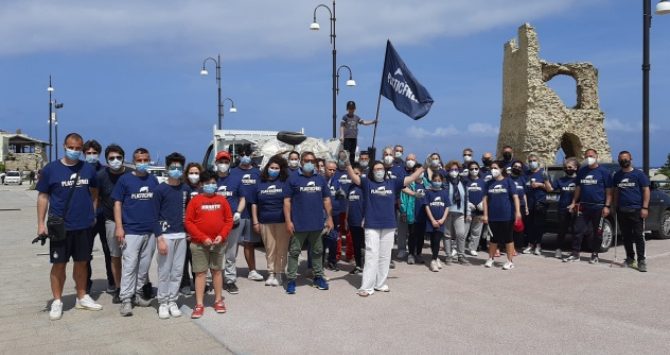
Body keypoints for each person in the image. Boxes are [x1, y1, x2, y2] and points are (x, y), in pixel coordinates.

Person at [37, 133, 102, 320]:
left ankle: (82, 297)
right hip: (60, 227)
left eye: (78, 148)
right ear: (64, 146)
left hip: (83, 226)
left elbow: (95, 191)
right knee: (59, 265)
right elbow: (43, 197)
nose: (74, 151)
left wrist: (93, 211)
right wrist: (41, 224)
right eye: (71, 147)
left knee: (82, 262)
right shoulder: (51, 169)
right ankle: (57, 301)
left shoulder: (88, 169)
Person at [345, 156, 424, 297]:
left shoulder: (392, 183)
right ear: (372, 172)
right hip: (372, 225)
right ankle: (367, 287)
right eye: (376, 169)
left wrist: (425, 166)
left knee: (385, 255)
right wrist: (347, 163)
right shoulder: (366, 183)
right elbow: (352, 176)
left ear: (385, 171)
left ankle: (380, 283)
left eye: (381, 168)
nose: (379, 171)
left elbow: (411, 178)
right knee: (371, 254)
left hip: (389, 224)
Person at [112, 147, 159, 316]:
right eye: (139, 160)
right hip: (131, 230)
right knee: (130, 266)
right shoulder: (124, 180)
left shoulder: (153, 180)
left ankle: (139, 294)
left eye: (145, 160)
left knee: (144, 267)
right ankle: (126, 299)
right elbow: (117, 203)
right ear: (134, 161)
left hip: (150, 231)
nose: (142, 163)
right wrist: (119, 227)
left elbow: (158, 204)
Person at [184, 170, 234, 319]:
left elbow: (229, 220)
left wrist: (222, 235)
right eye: (207, 183)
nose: (210, 186)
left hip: (219, 242)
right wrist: (201, 237)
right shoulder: (195, 201)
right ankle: (199, 304)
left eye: (213, 183)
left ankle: (218, 300)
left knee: (217, 271)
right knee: (200, 273)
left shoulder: (222, 200)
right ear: (201, 185)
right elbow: (189, 222)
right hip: (199, 244)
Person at [284, 151, 333, 294]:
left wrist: (329, 218)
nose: (309, 163)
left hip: (317, 224)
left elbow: (326, 200)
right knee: (294, 252)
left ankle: (318, 277)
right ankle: (291, 279)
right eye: (306, 160)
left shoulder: (320, 179)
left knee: (317, 252)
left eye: (312, 161)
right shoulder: (293, 179)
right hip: (299, 224)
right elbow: (287, 201)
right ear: (301, 162)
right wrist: (288, 221)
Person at [153, 152, 191, 319]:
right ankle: (162, 302)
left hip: (181, 236)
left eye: (179, 168)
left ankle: (173, 300)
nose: (176, 170)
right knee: (164, 271)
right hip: (165, 237)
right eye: (173, 167)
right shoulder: (160, 189)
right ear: (167, 168)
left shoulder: (185, 189)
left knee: (177, 272)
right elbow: (153, 216)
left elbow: (188, 212)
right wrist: (159, 238)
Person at [96, 144, 131, 304]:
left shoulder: (131, 174)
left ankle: (135, 286)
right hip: (110, 221)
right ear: (107, 160)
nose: (115, 160)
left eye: (118, 157)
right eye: (111, 158)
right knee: (115, 256)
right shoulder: (101, 176)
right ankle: (118, 287)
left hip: (132, 222)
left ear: (123, 158)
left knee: (133, 257)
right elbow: (95, 198)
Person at [565, 149, 613, 264]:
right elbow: (578, 188)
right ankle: (575, 253)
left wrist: (607, 206)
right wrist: (573, 202)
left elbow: (609, 191)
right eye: (587, 156)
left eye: (591, 156)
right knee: (577, 229)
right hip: (584, 206)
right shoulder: (582, 171)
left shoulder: (604, 172)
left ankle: (595, 254)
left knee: (597, 232)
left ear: (596, 156)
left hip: (599, 206)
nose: (589, 158)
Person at [250, 155, 291, 286]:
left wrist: (289, 221)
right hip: (265, 221)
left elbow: (287, 202)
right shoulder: (260, 183)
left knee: (282, 248)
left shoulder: (284, 182)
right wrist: (255, 221)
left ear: (281, 169)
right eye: (271, 167)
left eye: (276, 168)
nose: (273, 169)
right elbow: (254, 204)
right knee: (270, 248)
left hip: (281, 221)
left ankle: (279, 274)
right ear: (267, 168)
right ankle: (271, 273)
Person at [83, 139, 114, 294]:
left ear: (99, 154)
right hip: (86, 218)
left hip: (105, 216)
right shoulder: (80, 171)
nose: (91, 155)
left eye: (94, 153)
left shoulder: (105, 171)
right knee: (85, 251)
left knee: (109, 251)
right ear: (84, 154)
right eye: (88, 153)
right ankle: (85, 283)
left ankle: (112, 281)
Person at [214, 151, 247, 294]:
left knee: (231, 254)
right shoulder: (210, 180)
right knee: (213, 251)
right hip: (213, 222)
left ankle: (230, 280)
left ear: (229, 164)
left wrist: (238, 212)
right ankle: (210, 280)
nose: (223, 165)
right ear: (216, 163)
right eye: (221, 162)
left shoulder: (236, 179)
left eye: (226, 162)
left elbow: (243, 199)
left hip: (232, 222)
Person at [612, 151, 650, 272]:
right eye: (621, 159)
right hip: (622, 210)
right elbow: (616, 191)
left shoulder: (639, 175)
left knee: (638, 236)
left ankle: (641, 260)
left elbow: (646, 191)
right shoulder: (617, 175)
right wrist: (615, 206)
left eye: (625, 159)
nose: (623, 161)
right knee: (626, 236)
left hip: (636, 210)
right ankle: (630, 258)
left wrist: (644, 207)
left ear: (630, 159)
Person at [231, 149, 264, 282]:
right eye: (243, 154)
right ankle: (230, 272)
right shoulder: (232, 172)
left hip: (252, 213)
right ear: (238, 156)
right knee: (232, 245)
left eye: (248, 154)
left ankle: (252, 270)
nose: (245, 157)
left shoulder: (257, 173)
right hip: (236, 212)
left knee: (249, 243)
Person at [482, 161, 522, 270]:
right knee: (493, 239)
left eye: (495, 168)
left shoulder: (508, 181)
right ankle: (490, 258)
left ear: (501, 169)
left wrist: (518, 212)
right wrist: (485, 215)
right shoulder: (489, 183)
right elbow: (485, 200)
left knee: (508, 238)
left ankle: (509, 261)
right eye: (491, 168)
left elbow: (515, 197)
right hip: (493, 216)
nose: (493, 170)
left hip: (507, 215)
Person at [523, 153, 553, 255]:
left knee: (539, 225)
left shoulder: (543, 173)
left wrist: (540, 184)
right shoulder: (526, 174)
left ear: (538, 161)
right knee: (530, 226)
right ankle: (530, 245)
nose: (532, 163)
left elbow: (549, 189)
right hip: (529, 204)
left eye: (534, 160)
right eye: (530, 161)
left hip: (540, 203)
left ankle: (538, 246)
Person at [180, 162, 203, 295]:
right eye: (191, 173)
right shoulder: (183, 188)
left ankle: (198, 282)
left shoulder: (204, 188)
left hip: (200, 229)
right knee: (184, 258)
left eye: (196, 173)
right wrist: (187, 229)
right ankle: (185, 283)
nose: (194, 175)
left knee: (198, 258)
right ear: (186, 174)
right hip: (185, 228)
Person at [442, 161, 470, 264]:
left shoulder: (463, 182)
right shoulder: (444, 182)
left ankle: (461, 255)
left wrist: (468, 212)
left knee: (461, 234)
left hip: (460, 212)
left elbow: (466, 198)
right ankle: (448, 255)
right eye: (451, 169)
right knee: (447, 234)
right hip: (447, 212)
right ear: (448, 171)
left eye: (456, 169)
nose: (454, 172)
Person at [422, 172, 450, 272]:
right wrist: (432, 220)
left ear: (442, 181)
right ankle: (435, 257)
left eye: (439, 181)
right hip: (431, 221)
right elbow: (426, 206)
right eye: (435, 180)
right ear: (432, 181)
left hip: (441, 221)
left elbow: (447, 207)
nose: (437, 182)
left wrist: (443, 219)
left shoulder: (444, 192)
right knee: (433, 240)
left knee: (437, 240)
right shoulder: (428, 192)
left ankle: (434, 260)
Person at [552, 158, 578, 259]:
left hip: (576, 209)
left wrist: (574, 204)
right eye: (566, 167)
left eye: (570, 167)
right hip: (562, 208)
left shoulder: (579, 180)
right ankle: (558, 249)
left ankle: (574, 251)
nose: (568, 169)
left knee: (576, 230)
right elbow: (551, 188)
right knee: (562, 230)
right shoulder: (560, 180)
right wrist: (545, 180)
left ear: (575, 168)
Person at [324, 160, 345, 271]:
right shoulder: (320, 180)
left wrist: (341, 194)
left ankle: (332, 261)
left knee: (333, 239)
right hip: (322, 215)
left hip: (335, 214)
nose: (332, 172)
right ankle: (319, 262)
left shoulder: (337, 182)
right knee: (321, 240)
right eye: (330, 169)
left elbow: (341, 195)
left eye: (334, 170)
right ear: (325, 169)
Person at [339, 100, 376, 165]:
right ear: (347, 109)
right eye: (350, 108)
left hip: (354, 138)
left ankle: (352, 165)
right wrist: (342, 135)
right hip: (347, 137)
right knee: (346, 152)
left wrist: (372, 122)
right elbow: (342, 126)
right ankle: (346, 165)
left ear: (354, 109)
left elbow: (364, 122)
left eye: (352, 108)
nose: (351, 110)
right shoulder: (345, 117)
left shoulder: (356, 117)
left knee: (353, 153)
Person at [397, 154, 418, 261]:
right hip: (403, 206)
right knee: (402, 230)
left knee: (414, 232)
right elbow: (400, 190)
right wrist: (402, 208)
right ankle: (401, 249)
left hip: (415, 208)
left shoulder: (418, 173)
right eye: (408, 159)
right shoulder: (401, 172)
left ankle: (412, 251)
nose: (410, 161)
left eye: (412, 159)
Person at [346, 164, 365, 274]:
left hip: (362, 221)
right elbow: (348, 204)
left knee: (364, 245)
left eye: (357, 174)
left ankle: (366, 265)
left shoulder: (364, 187)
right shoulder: (350, 187)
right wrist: (346, 219)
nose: (354, 176)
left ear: (361, 174)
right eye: (352, 174)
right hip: (352, 221)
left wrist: (365, 218)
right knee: (356, 244)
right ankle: (358, 265)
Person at [464, 161, 486, 256]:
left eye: (476, 168)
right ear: (468, 170)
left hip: (479, 210)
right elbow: (461, 194)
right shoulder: (465, 181)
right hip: (468, 210)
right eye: (472, 169)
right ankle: (458, 248)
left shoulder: (483, 182)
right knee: (463, 231)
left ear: (479, 169)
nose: (474, 170)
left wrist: (483, 203)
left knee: (476, 231)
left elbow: (486, 195)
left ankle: (472, 248)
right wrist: (467, 203)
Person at [509, 160, 529, 254]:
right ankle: (510, 247)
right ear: (512, 167)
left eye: (519, 167)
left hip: (520, 205)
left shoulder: (522, 179)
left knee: (519, 226)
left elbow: (524, 194)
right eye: (515, 166)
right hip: (509, 205)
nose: (517, 168)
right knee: (510, 227)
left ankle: (518, 246)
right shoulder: (507, 179)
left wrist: (526, 207)